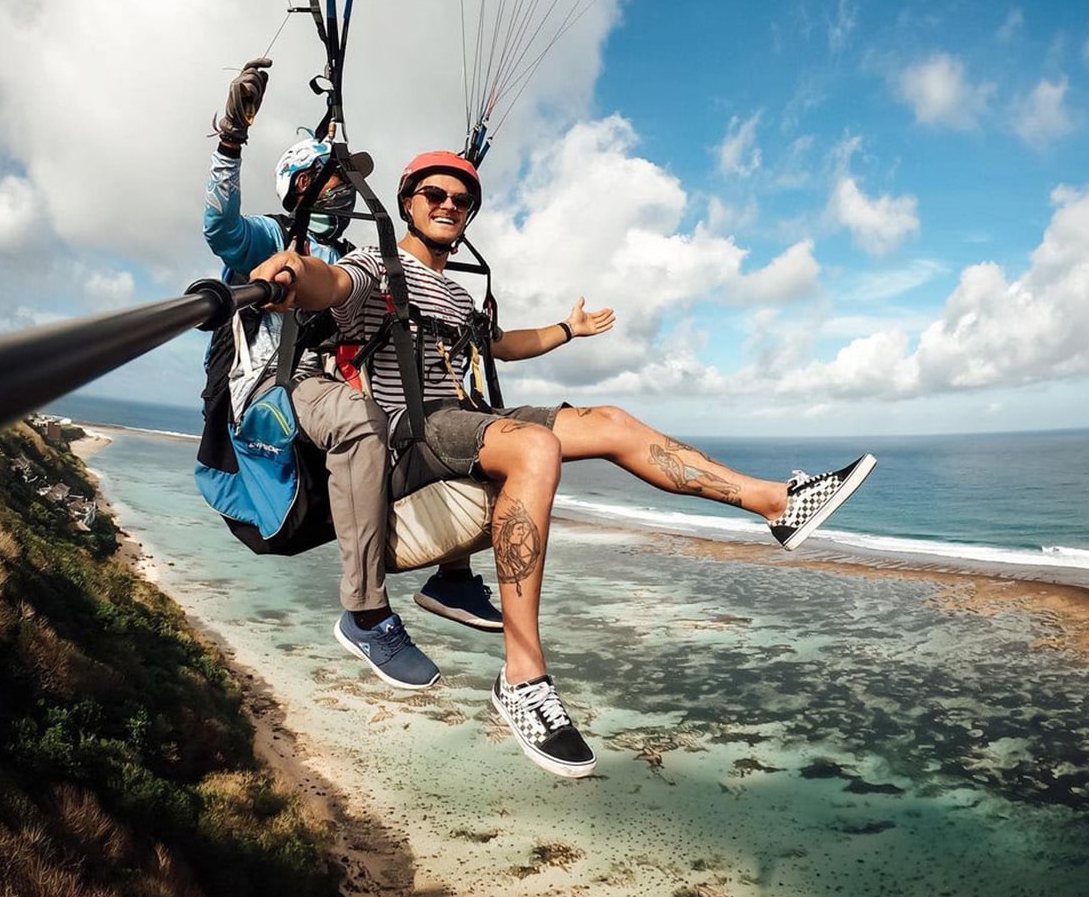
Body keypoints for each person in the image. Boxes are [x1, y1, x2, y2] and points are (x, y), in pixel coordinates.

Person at [250, 152, 876, 779]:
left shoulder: (457, 289)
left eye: (461, 201)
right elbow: (330, 286)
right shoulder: (376, 268)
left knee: (611, 422)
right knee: (536, 447)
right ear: (408, 201)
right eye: (435, 195)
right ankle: (522, 679)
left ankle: (776, 504)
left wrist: (566, 330)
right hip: (411, 437)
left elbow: (500, 345)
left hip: (464, 420)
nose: (448, 206)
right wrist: (292, 271)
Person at [204, 62, 501, 692]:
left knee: (434, 418)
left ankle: (452, 576)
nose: (340, 191)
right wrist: (231, 140)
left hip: (327, 384)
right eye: (328, 181)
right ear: (300, 187)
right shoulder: (269, 236)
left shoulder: (354, 254)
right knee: (363, 421)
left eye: (346, 183)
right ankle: (366, 609)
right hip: (273, 387)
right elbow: (219, 228)